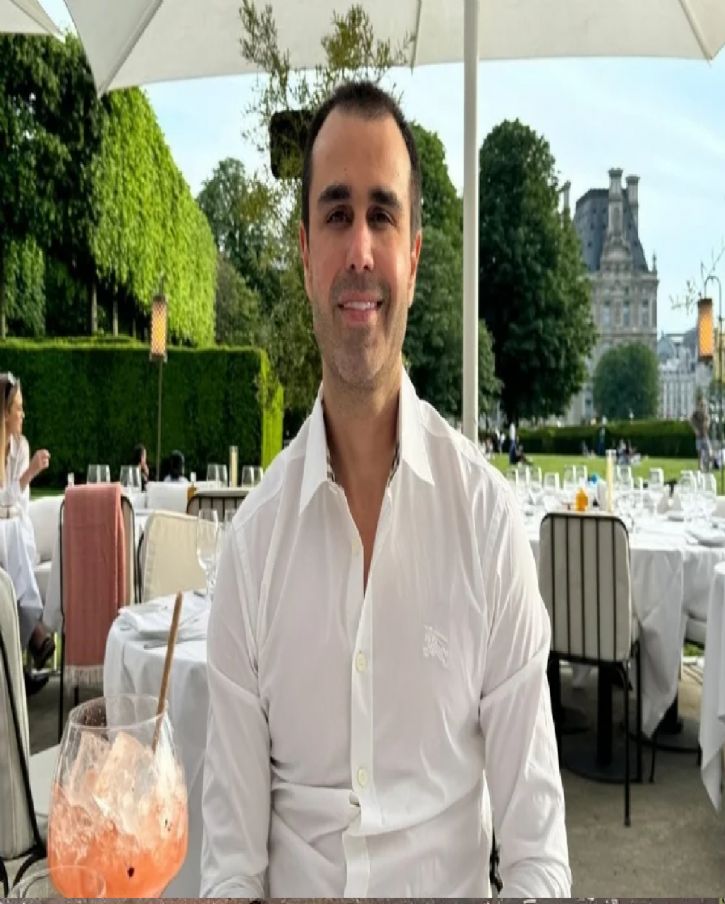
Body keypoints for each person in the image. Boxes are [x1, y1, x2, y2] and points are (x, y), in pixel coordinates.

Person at [201, 82, 570, 898]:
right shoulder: (252, 550)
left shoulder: (483, 521)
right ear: (305, 254)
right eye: (337, 215)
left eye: (382, 215)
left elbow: (537, 854)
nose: (360, 249)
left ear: (414, 255)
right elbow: (230, 871)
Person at [0, 372, 55, 690]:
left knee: (12, 535)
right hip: (8, 536)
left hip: (15, 533)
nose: (23, 414)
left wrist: (19, 485)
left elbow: (16, 504)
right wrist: (28, 475)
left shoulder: (21, 446)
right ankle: (33, 639)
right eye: (18, 408)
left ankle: (19, 663)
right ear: (4, 413)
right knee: (8, 537)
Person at [690, 393, 711, 472]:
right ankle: (700, 468)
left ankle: (707, 467)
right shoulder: (695, 413)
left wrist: (707, 424)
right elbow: (691, 421)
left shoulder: (706, 414)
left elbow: (708, 421)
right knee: (700, 454)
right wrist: (695, 429)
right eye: (701, 405)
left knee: (709, 452)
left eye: (704, 405)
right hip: (699, 437)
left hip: (705, 436)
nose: (703, 407)